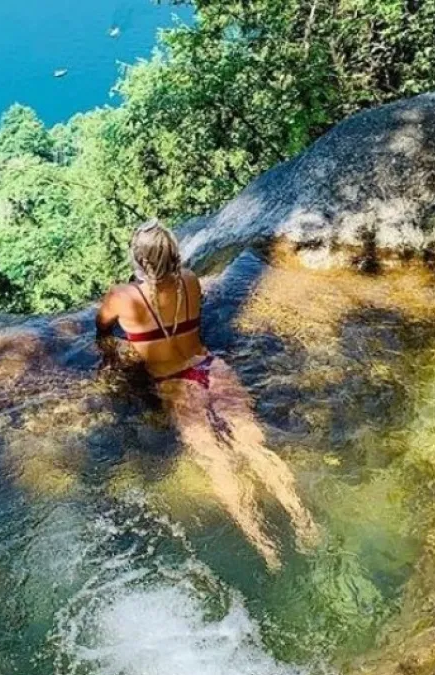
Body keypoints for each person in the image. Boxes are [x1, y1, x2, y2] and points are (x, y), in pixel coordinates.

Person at [96, 219, 319, 569]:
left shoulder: (122, 297)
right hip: (212, 369)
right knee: (254, 446)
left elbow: (103, 329)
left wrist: (114, 358)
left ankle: (266, 548)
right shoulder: (189, 280)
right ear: (173, 252)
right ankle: (304, 522)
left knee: (217, 461)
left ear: (137, 261)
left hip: (175, 383)